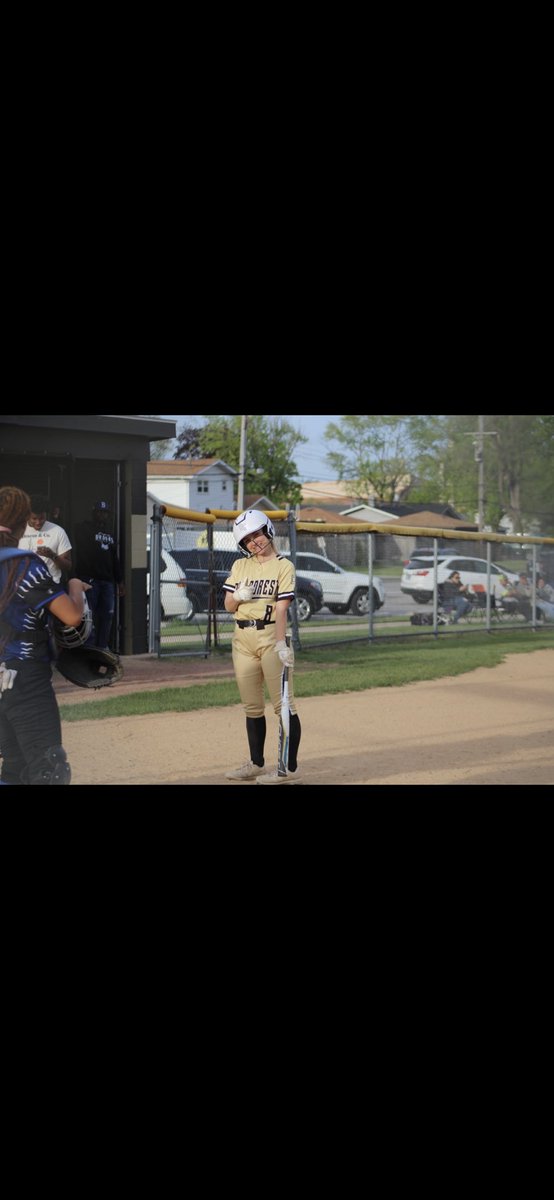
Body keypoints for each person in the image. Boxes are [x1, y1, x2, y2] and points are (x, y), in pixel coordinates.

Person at [0, 485, 91, 785]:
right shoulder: (22, 564)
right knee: (48, 769)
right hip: (23, 676)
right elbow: (72, 616)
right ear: (21, 522)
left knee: (13, 765)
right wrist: (75, 586)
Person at [222, 509, 302, 785]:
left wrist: (281, 643)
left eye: (256, 534)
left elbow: (281, 610)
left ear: (268, 531)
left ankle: (287, 768)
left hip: (270, 636)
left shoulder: (283, 566)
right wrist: (239, 597)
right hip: (242, 639)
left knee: (283, 705)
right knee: (252, 706)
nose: (253, 542)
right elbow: (228, 605)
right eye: (246, 539)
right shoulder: (240, 566)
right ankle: (256, 763)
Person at [74, 499, 125, 651]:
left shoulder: (110, 533)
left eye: (105, 513)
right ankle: (89, 646)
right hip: (90, 579)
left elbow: (114, 558)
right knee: (90, 614)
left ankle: (103, 646)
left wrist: (120, 580)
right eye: (99, 512)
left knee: (107, 614)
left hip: (107, 581)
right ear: (94, 513)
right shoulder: (85, 528)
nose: (102, 515)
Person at [18, 493, 72, 584]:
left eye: (42, 518)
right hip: (23, 587)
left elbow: (68, 566)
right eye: (34, 518)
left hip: (51, 587)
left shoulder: (58, 531)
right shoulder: (17, 532)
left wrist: (52, 556)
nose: (38, 522)